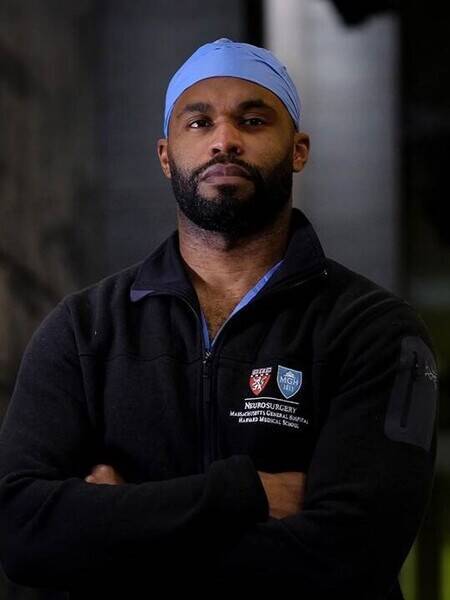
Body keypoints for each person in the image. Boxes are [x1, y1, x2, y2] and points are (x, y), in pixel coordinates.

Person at [0, 38, 438, 598]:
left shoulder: (374, 330)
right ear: (166, 156)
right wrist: (244, 493)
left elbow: (352, 554)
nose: (224, 140)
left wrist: (117, 522)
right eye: (199, 122)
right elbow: (20, 532)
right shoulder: (84, 331)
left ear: (298, 150)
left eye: (253, 121)